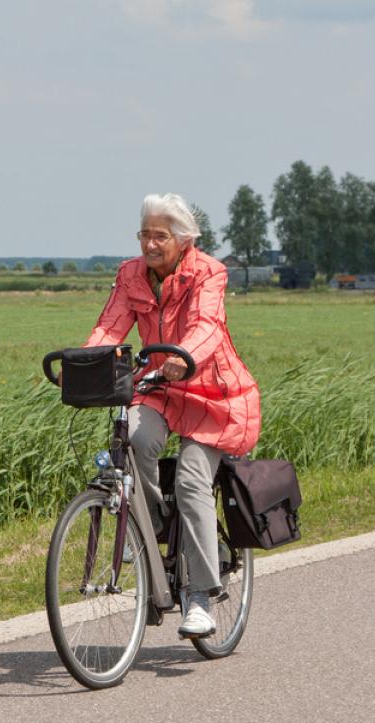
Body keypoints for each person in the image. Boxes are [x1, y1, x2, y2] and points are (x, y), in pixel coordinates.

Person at [83, 193, 261, 638]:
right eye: (144, 234)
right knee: (134, 438)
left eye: (159, 235)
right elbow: (110, 327)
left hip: (212, 392)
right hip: (159, 384)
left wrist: (184, 358)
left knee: (190, 478)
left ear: (182, 240)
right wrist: (85, 365)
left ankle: (200, 595)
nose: (149, 244)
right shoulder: (130, 275)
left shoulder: (208, 272)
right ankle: (151, 527)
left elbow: (208, 325)